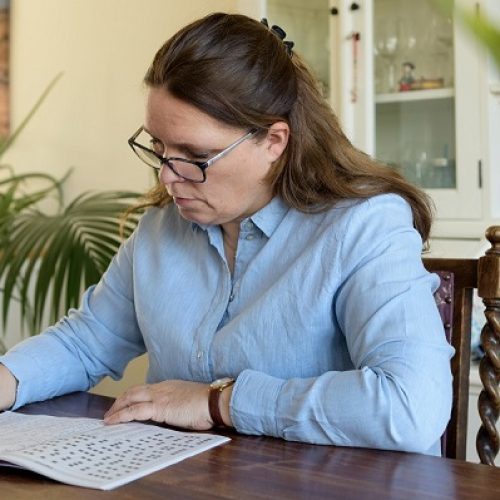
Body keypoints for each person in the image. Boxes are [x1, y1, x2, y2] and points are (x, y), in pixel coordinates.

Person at [0, 13, 453, 455]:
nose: (166, 178)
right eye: (158, 148)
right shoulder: (161, 230)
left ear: (274, 142)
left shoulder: (364, 225)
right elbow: (84, 343)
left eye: (195, 156)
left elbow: (411, 408)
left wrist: (217, 402)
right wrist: (7, 379)